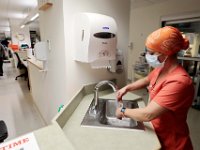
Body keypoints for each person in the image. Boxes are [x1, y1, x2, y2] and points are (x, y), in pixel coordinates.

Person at [116, 26, 194, 150]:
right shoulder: (161, 70)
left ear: (166, 54)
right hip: (156, 134)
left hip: (172, 144)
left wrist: (123, 111)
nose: (148, 56)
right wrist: (127, 88)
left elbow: (148, 115)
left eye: (151, 53)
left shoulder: (180, 82)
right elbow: (146, 80)